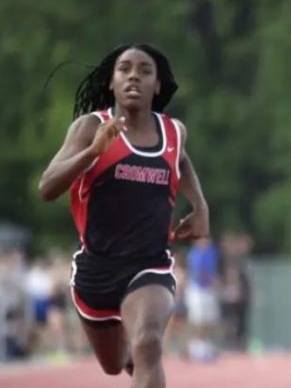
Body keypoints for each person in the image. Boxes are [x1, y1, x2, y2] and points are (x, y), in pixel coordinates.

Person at [38, 44, 209, 387]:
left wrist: (200, 206)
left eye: (145, 71)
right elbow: (47, 188)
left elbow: (181, 159)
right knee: (115, 364)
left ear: (157, 85)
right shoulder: (90, 127)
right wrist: (92, 151)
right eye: (125, 69)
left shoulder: (174, 131)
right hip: (96, 271)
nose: (134, 75)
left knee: (148, 342)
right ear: (112, 82)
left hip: (150, 265)